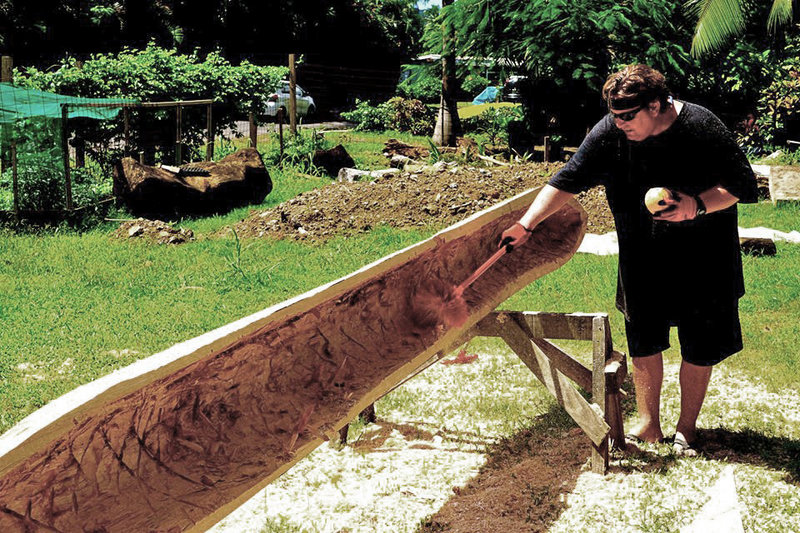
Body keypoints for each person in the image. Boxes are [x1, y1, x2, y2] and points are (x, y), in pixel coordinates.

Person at [501, 64, 758, 456]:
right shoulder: (610, 132)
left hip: (705, 257)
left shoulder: (701, 127)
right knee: (643, 339)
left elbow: (742, 185)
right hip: (642, 257)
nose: (618, 123)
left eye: (627, 116)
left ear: (655, 105)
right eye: (614, 115)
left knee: (699, 344)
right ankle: (649, 425)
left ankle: (686, 429)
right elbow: (568, 179)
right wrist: (527, 224)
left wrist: (696, 205)